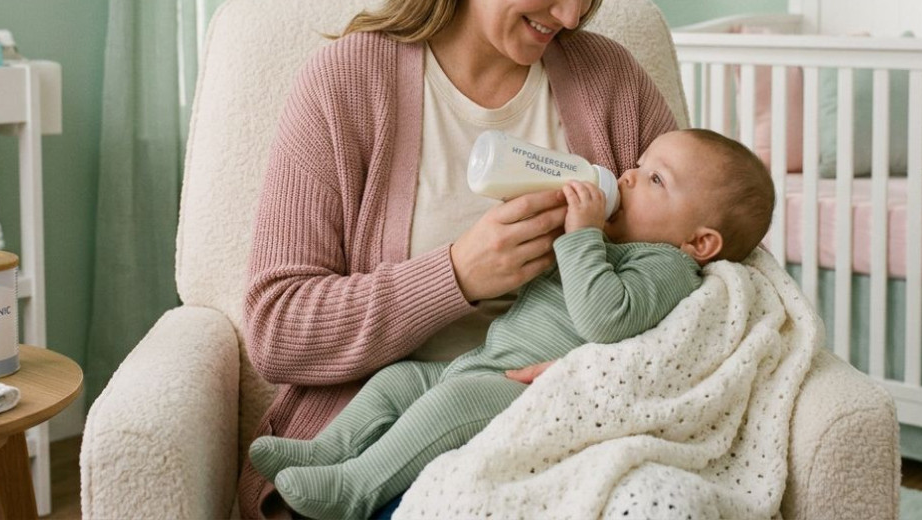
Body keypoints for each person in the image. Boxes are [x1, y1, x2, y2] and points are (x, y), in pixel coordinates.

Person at [240, 0, 674, 519]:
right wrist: (456, 275)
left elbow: (714, 273)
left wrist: (597, 374)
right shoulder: (347, 85)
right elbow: (276, 329)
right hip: (383, 450)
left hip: (569, 434)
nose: (572, 14)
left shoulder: (610, 83)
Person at [248, 129, 776, 520]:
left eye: (656, 180)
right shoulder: (614, 241)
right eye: (639, 164)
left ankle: (353, 489)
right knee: (398, 380)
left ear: (699, 242)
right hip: (483, 361)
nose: (628, 176)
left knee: (447, 406)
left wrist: (582, 237)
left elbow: (606, 318)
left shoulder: (666, 267)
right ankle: (328, 450)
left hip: (526, 394)